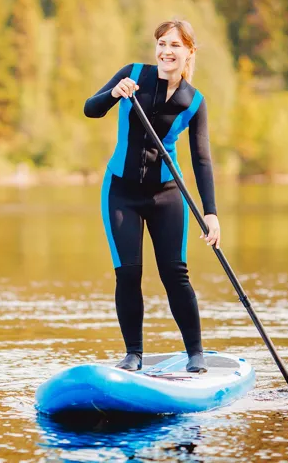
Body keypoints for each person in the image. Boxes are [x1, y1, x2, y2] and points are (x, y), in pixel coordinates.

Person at [83, 19, 220, 373]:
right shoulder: (133, 76)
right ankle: (134, 354)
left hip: (166, 195)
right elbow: (90, 108)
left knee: (176, 273)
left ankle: (195, 355)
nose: (165, 51)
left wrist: (211, 213)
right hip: (121, 192)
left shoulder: (194, 101)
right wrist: (113, 93)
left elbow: (202, 159)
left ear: (188, 51)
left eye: (174, 45)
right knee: (128, 274)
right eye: (161, 43)